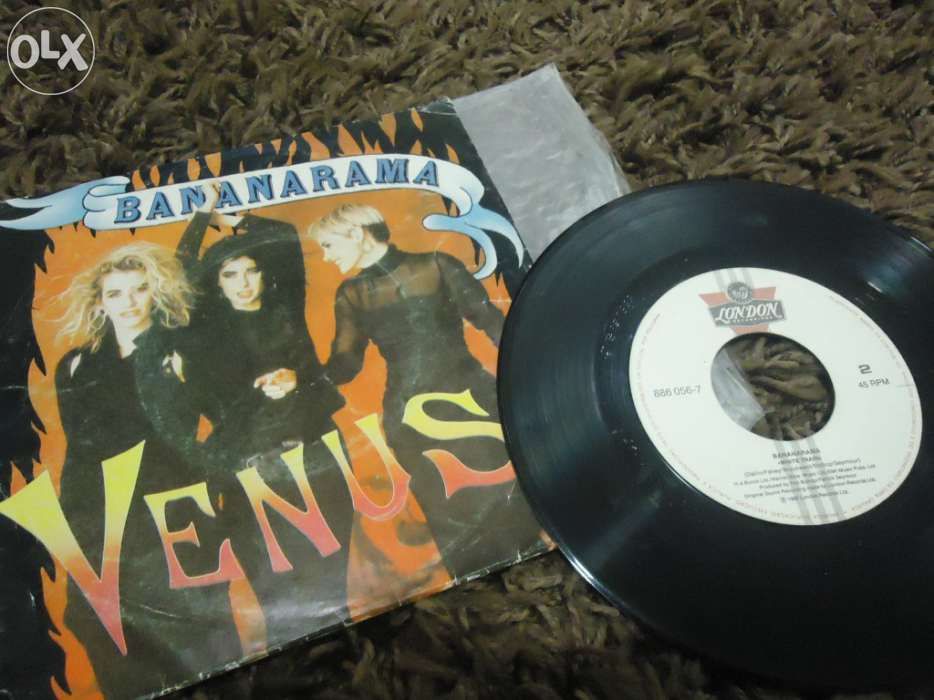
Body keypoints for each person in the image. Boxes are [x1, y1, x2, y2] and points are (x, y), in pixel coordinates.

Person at [307, 204, 542, 580]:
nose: (325, 256)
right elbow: (346, 364)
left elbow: (491, 321)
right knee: (450, 512)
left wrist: (535, 369)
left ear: (356, 233)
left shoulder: (437, 264)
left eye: (328, 244)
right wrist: (303, 382)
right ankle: (479, 585)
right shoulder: (351, 294)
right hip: (410, 418)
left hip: (474, 401)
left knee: (511, 498)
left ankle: (532, 570)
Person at [55, 242, 241, 698]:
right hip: (102, 516)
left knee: (195, 625)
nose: (129, 302)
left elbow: (229, 421)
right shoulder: (75, 365)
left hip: (171, 506)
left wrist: (206, 478)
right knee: (96, 622)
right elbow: (78, 450)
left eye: (140, 289)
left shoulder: (179, 352)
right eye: (115, 293)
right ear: (100, 302)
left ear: (155, 294)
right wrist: (72, 522)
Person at [177, 190, 352, 648]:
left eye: (250, 270)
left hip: (316, 450)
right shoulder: (206, 330)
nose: (243, 283)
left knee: (333, 578)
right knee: (274, 587)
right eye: (229, 274)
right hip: (249, 467)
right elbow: (178, 275)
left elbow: (284, 237)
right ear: (216, 283)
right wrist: (201, 218)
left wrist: (234, 219)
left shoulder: (284, 307)